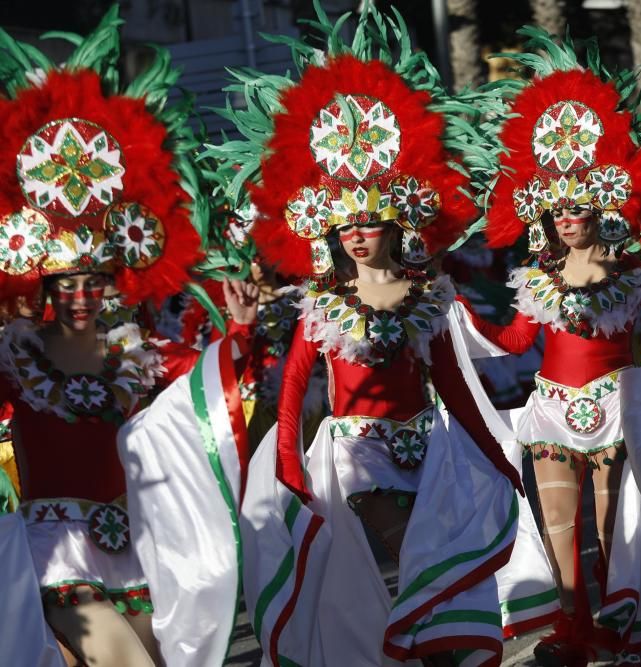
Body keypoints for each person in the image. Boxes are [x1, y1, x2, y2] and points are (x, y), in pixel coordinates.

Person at [214, 8, 531, 665]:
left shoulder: (427, 297)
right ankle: (418, 645)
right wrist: (289, 467)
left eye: (372, 220)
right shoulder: (323, 304)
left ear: (396, 225)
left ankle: (423, 649)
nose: (359, 232)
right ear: (331, 232)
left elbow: (452, 386)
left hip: (429, 448)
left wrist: (497, 457)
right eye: (347, 225)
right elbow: (298, 385)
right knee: (412, 550)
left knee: (436, 560)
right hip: (358, 456)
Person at [464, 30, 641, 666]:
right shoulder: (535, 278)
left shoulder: (633, 275)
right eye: (554, 211)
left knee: (609, 529)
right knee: (560, 529)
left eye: (575, 209)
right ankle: (570, 629)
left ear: (599, 209)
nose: (564, 219)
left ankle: (614, 627)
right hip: (553, 409)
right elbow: (517, 339)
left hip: (613, 411)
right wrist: (459, 313)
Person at [0, 9, 257, 664]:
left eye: (93, 280)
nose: (81, 296)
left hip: (136, 551)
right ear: (45, 285)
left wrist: (243, 331)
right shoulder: (14, 357)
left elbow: (206, 387)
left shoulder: (135, 357)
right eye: (67, 283)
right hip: (55, 555)